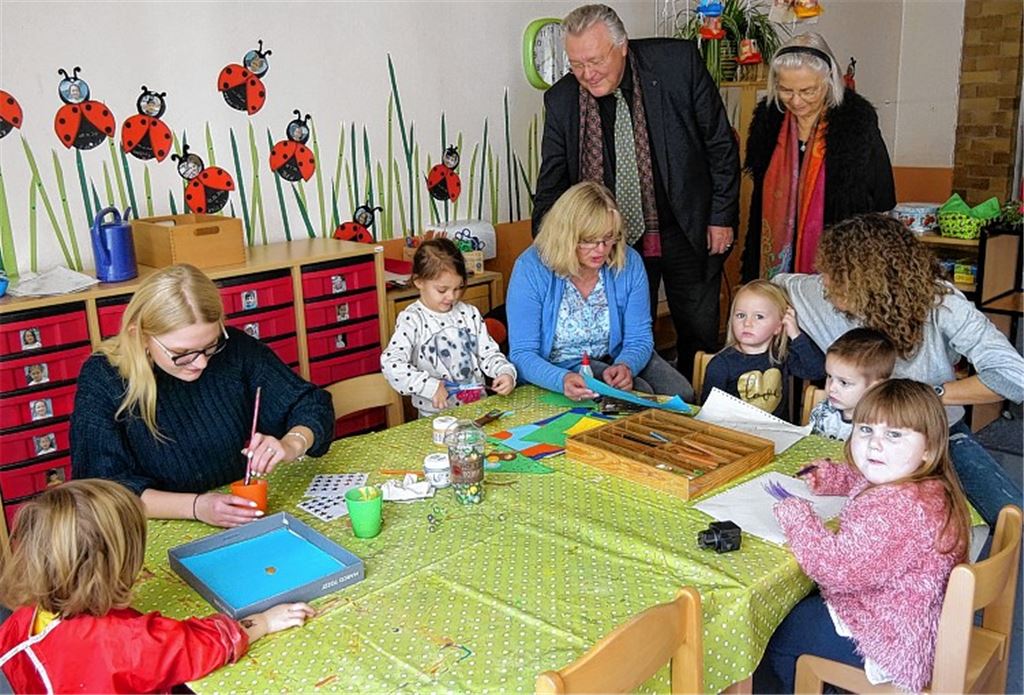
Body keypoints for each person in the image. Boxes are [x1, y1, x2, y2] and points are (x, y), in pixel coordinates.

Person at [532, 4, 739, 379]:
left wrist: (721, 216)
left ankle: (705, 416)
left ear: (622, 45)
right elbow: (553, 182)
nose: (587, 74)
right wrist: (545, 251)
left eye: (595, 61)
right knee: (625, 340)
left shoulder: (677, 65)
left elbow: (720, 145)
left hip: (685, 226)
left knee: (698, 331)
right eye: (576, 65)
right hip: (610, 245)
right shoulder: (562, 100)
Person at [776, 213, 1024, 525]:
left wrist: (926, 395)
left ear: (864, 279)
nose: (822, 279)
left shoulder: (942, 305)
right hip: (856, 438)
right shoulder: (820, 294)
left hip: (936, 437)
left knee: (1010, 514)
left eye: (832, 272)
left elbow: (1015, 377)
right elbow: (774, 287)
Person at [70, 264, 334, 528]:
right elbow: (99, 491)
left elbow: (312, 404)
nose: (201, 364)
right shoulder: (105, 377)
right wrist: (197, 506)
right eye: (182, 353)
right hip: (152, 526)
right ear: (140, 337)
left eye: (210, 346)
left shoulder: (235, 349)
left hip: (235, 510)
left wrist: (291, 444)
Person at [0, 479, 315, 692]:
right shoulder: (132, 640)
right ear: (118, 567)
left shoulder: (20, 620)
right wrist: (265, 620)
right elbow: (204, 645)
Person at [756, 380, 970, 693]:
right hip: (910, 621)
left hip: (887, 641)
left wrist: (798, 517)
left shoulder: (895, 508)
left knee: (779, 633)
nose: (874, 445)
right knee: (800, 607)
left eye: (894, 434)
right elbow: (866, 474)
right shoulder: (925, 484)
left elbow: (834, 569)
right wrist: (833, 476)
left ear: (928, 448)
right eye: (865, 430)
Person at [508, 181, 694, 402]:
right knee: (640, 396)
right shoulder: (531, 268)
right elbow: (522, 354)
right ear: (566, 236)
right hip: (559, 365)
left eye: (608, 238)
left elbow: (639, 338)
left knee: (682, 394)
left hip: (615, 355)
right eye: (588, 240)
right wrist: (561, 379)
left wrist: (626, 365)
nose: (601, 249)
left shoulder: (629, 262)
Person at [741, 32, 896, 281]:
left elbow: (882, 194)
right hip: (777, 250)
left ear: (829, 82)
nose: (796, 100)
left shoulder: (855, 123)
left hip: (839, 253)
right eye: (785, 90)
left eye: (808, 91)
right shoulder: (768, 121)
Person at [381, 238, 517, 417]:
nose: (452, 297)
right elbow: (391, 364)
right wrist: (430, 386)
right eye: (442, 290)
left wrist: (505, 372)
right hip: (436, 418)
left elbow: (489, 353)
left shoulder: (469, 314)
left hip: (478, 409)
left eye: (458, 288)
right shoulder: (412, 320)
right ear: (419, 281)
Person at [700, 280, 824, 419]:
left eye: (759, 316)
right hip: (737, 435)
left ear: (779, 326)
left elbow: (817, 371)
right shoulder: (721, 364)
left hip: (777, 436)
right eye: (741, 315)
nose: (747, 323)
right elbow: (709, 413)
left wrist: (796, 335)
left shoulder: (781, 356)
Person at [809, 327, 896, 440]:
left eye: (844, 383)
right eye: (829, 376)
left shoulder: (884, 425)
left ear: (875, 387)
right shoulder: (822, 412)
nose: (831, 388)